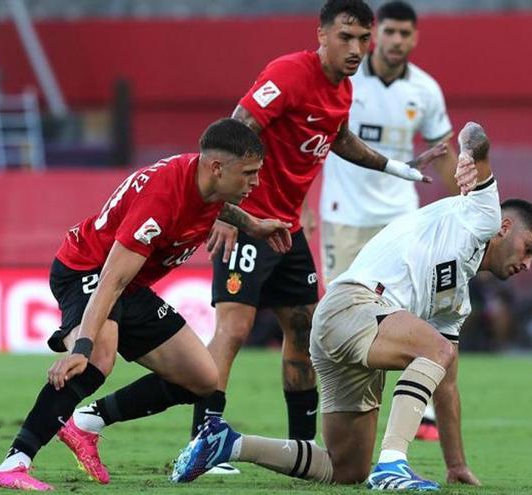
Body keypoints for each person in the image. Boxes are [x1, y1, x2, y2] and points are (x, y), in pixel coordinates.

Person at [170, 121, 532, 490]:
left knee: (346, 468)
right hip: (353, 305)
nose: (526, 263)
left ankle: (227, 444)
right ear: (505, 228)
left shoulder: (456, 300)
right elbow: (476, 133)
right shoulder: (483, 214)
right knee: (435, 350)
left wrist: (455, 464)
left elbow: (447, 382)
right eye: (529, 249)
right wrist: (468, 154)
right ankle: (393, 464)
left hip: (353, 328)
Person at [187, 0, 448, 476]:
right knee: (234, 330)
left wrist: (395, 167)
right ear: (322, 35)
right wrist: (224, 209)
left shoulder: (343, 90)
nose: (357, 48)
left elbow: (341, 139)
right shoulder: (288, 73)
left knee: (305, 330)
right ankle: (204, 439)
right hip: (249, 219)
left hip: (286, 229)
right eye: (346, 37)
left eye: (362, 39)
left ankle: (300, 449)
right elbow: (237, 126)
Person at [0, 118, 293, 490]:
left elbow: (216, 205)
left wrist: (253, 225)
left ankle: (88, 422)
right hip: (88, 269)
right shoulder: (160, 201)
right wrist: (81, 346)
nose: (256, 182)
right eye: (249, 173)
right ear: (217, 167)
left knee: (203, 379)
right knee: (97, 358)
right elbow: (110, 280)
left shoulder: (207, 182)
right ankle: (14, 463)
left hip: (129, 286)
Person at [319, 0, 458, 442]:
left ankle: (419, 410)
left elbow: (444, 154)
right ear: (377, 36)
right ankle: (347, 409)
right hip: (344, 214)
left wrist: (462, 208)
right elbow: (317, 142)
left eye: (405, 34)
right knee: (340, 315)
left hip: (401, 218)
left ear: (415, 38)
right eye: (390, 32)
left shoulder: (426, 90)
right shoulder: (348, 79)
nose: (397, 41)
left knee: (408, 312)